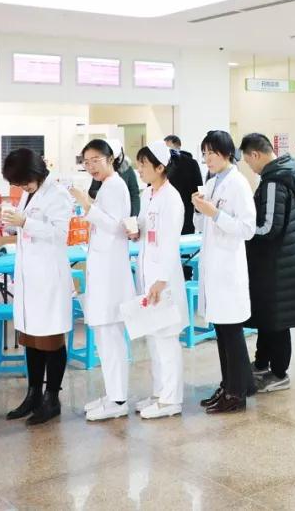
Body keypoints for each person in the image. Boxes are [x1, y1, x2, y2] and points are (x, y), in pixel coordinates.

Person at [0, 148, 74, 426]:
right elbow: (26, 228)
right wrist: (12, 223)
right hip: (29, 277)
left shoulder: (58, 194)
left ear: (35, 172)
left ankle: (52, 398)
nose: (23, 187)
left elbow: (59, 233)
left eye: (24, 182)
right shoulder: (30, 193)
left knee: (51, 339)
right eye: (18, 184)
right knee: (31, 338)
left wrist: (25, 222)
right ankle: (33, 394)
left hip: (48, 277)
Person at [70, 139, 136, 422]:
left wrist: (87, 204)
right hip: (102, 272)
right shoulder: (107, 186)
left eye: (96, 160)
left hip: (111, 277)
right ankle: (112, 394)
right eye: (86, 162)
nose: (91, 166)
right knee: (104, 339)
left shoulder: (115, 185)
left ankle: (118, 399)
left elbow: (115, 225)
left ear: (111, 158)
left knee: (111, 338)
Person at [193, 131, 257, 414]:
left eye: (212, 153)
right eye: (205, 153)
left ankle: (236, 393)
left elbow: (247, 228)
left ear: (228, 153)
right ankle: (229, 384)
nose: (208, 159)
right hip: (214, 267)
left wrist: (215, 214)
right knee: (221, 330)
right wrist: (200, 210)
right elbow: (204, 226)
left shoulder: (238, 183)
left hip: (229, 269)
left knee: (231, 333)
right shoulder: (212, 181)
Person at [240, 133, 295, 393]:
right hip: (282, 258)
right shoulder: (286, 172)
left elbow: (269, 227)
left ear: (256, 154)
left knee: (277, 320)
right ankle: (262, 364)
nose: (250, 167)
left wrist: (242, 231)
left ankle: (279, 373)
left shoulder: (273, 181)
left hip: (277, 262)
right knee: (269, 316)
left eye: (248, 162)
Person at [131, 142, 189, 418]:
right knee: (154, 339)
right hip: (148, 277)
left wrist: (162, 279)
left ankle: (171, 400)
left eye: (143, 164)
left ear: (160, 167)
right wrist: (134, 231)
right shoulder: (148, 194)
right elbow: (146, 231)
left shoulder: (171, 198)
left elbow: (170, 243)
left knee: (166, 339)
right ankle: (158, 393)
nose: (139, 169)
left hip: (162, 281)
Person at [88, 142, 141, 218]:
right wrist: (106, 194)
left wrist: (133, 215)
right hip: (106, 212)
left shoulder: (127, 169)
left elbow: (134, 194)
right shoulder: (100, 170)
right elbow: (92, 190)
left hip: (125, 213)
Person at [164, 134, 204, 235]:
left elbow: (199, 188)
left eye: (168, 148)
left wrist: (199, 211)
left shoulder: (191, 163)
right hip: (167, 212)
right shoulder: (163, 164)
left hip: (186, 212)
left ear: (177, 147)